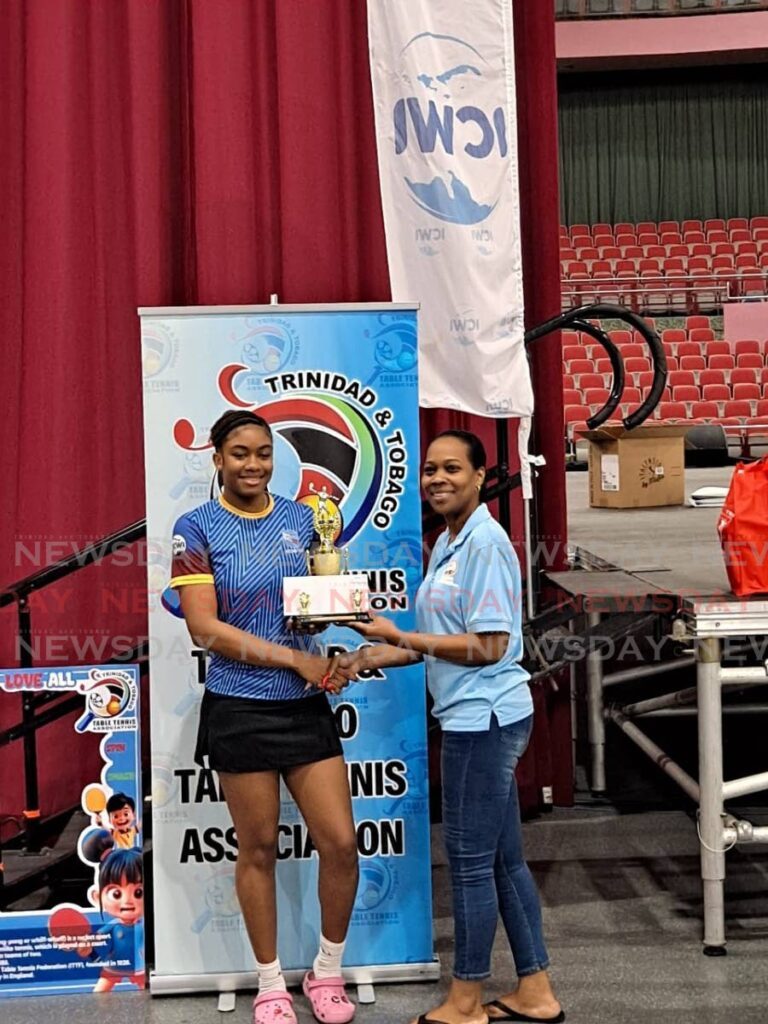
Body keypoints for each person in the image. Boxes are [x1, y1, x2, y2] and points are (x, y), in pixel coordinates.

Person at [343, 430, 564, 1024]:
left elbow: (491, 646)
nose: (437, 479)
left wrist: (402, 636)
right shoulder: (449, 542)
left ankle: (466, 1000)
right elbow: (440, 645)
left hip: (483, 722)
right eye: (430, 470)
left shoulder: (485, 544)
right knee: (501, 861)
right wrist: (370, 656)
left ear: (481, 477)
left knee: (469, 863)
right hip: (483, 717)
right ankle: (536, 991)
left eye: (451, 470)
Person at [170, 409, 358, 1024]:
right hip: (241, 706)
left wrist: (328, 612)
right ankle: (271, 982)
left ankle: (326, 974)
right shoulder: (194, 528)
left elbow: (312, 609)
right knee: (257, 849)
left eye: (264, 453)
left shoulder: (304, 520)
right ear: (217, 459)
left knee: (341, 844)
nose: (254, 464)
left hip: (305, 707)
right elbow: (204, 627)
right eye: (240, 453)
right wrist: (294, 661)